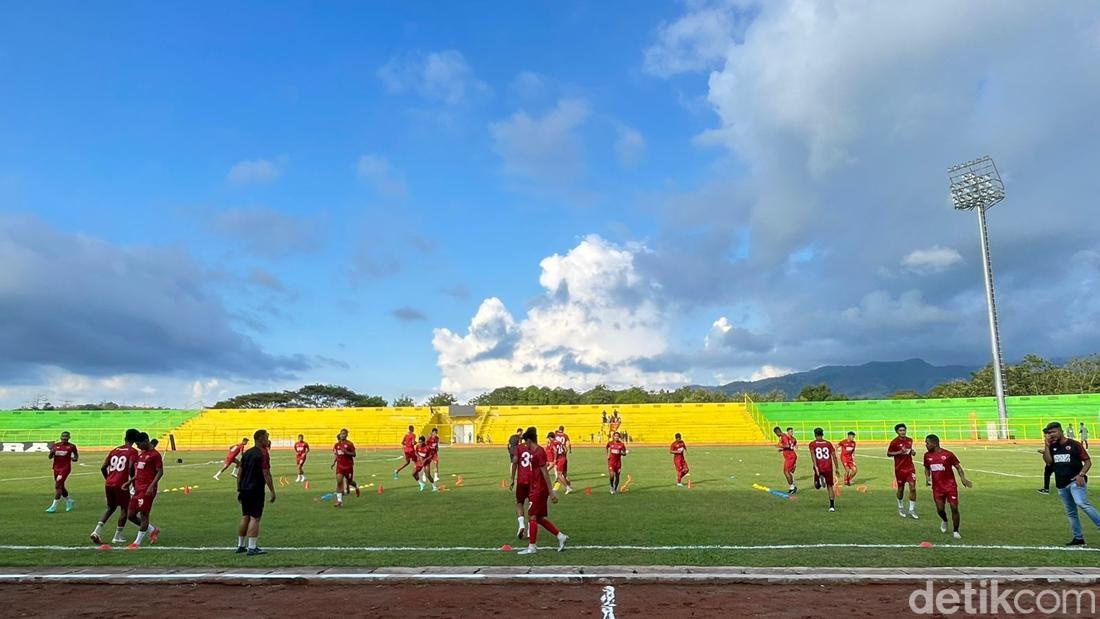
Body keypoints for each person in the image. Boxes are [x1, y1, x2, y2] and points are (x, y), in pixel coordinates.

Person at [1042, 421, 1100, 546]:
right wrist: (1046, 446)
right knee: (1071, 512)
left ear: (1060, 431)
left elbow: (1088, 461)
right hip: (1061, 484)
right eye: (1049, 433)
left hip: (1076, 481)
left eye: (1053, 432)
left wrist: (1081, 474)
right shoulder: (1052, 446)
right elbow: (1048, 462)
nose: (1051, 435)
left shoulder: (1075, 445)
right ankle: (1078, 538)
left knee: (1081, 502)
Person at [517, 427, 568, 555]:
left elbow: (545, 473)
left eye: (526, 442)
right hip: (535, 487)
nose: (525, 445)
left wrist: (551, 492)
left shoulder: (539, 452)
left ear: (529, 440)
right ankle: (560, 536)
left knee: (532, 516)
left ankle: (532, 546)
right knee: (538, 518)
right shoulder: (535, 452)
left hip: (539, 489)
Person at [90, 428, 140, 545]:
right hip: (121, 484)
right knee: (125, 508)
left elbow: (103, 467)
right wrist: (133, 483)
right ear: (135, 439)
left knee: (110, 508)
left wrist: (108, 479)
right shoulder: (132, 451)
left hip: (109, 483)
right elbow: (132, 467)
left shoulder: (114, 450)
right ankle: (117, 536)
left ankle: (96, 531)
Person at [923, 434, 972, 539]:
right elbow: (927, 468)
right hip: (937, 488)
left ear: (934, 443)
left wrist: (963, 478)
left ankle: (956, 530)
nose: (926, 445)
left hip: (950, 486)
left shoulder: (948, 454)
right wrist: (927, 478)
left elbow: (958, 467)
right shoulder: (927, 456)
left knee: (954, 508)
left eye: (927, 443)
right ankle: (944, 520)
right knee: (940, 509)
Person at [236, 429, 276, 556]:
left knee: (245, 516)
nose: (268, 439)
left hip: (244, 488)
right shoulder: (262, 453)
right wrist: (272, 491)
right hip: (255, 489)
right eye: (266, 437)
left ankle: (241, 545)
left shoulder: (247, 453)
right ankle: (252, 547)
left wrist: (239, 488)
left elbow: (240, 472)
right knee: (255, 517)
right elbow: (266, 473)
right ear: (260, 439)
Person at [127, 432, 162, 548]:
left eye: (138, 444)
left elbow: (160, 472)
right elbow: (138, 472)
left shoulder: (155, 455)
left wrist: (151, 486)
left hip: (147, 489)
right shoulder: (142, 455)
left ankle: (137, 543)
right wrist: (129, 482)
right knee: (131, 515)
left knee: (144, 515)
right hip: (137, 489)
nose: (137, 446)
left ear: (146, 441)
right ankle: (153, 530)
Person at [888, 423, 919, 519]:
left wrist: (913, 452)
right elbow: (889, 453)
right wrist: (899, 452)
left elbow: (910, 450)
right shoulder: (894, 442)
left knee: (913, 488)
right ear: (897, 432)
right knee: (901, 489)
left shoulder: (910, 440)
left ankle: (912, 509)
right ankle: (901, 507)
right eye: (900, 430)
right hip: (899, 469)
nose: (903, 432)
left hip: (910, 468)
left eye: (904, 430)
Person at [46, 431, 79, 513]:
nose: (64, 438)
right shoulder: (56, 445)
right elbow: (50, 457)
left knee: (58, 486)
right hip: (56, 468)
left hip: (65, 468)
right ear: (60, 437)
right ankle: (69, 501)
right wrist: (51, 452)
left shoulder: (72, 446)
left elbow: (76, 456)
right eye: (63, 436)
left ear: (69, 437)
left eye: (66, 436)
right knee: (61, 486)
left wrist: (74, 459)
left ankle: (53, 506)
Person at [807, 428, 839, 512]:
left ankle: (820, 480)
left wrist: (815, 466)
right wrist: (837, 468)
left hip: (819, 467)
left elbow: (813, 455)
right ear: (822, 434)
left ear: (815, 434)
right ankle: (832, 506)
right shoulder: (828, 443)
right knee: (830, 486)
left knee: (817, 486)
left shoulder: (812, 444)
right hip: (828, 467)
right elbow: (834, 456)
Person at [510, 432, 532, 539]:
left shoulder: (519, 448)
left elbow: (514, 462)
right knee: (532, 505)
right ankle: (530, 530)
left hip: (521, 481)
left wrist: (512, 478)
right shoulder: (535, 448)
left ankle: (521, 525)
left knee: (519, 503)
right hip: (533, 481)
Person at [331, 429, 359, 507]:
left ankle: (356, 486)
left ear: (346, 435)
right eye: (341, 434)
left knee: (350, 482)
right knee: (339, 481)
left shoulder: (349, 444)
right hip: (340, 467)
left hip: (348, 466)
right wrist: (334, 463)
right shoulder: (336, 445)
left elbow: (354, 454)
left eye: (344, 434)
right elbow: (337, 455)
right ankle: (339, 501)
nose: (342, 435)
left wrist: (346, 452)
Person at [774, 426, 797, 494]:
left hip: (790, 456)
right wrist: (782, 449)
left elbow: (787, 445)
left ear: (777, 432)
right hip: (790, 456)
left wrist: (780, 446)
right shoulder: (784, 436)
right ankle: (792, 486)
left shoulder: (783, 436)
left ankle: (792, 487)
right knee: (788, 471)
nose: (777, 435)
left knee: (786, 472)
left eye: (776, 434)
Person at [553, 426, 574, 494]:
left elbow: (555, 449)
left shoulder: (555, 436)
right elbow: (568, 444)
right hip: (564, 456)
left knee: (559, 475)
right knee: (564, 474)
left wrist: (555, 459)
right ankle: (570, 486)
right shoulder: (565, 436)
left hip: (559, 457)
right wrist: (568, 450)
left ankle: (568, 488)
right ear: (563, 430)